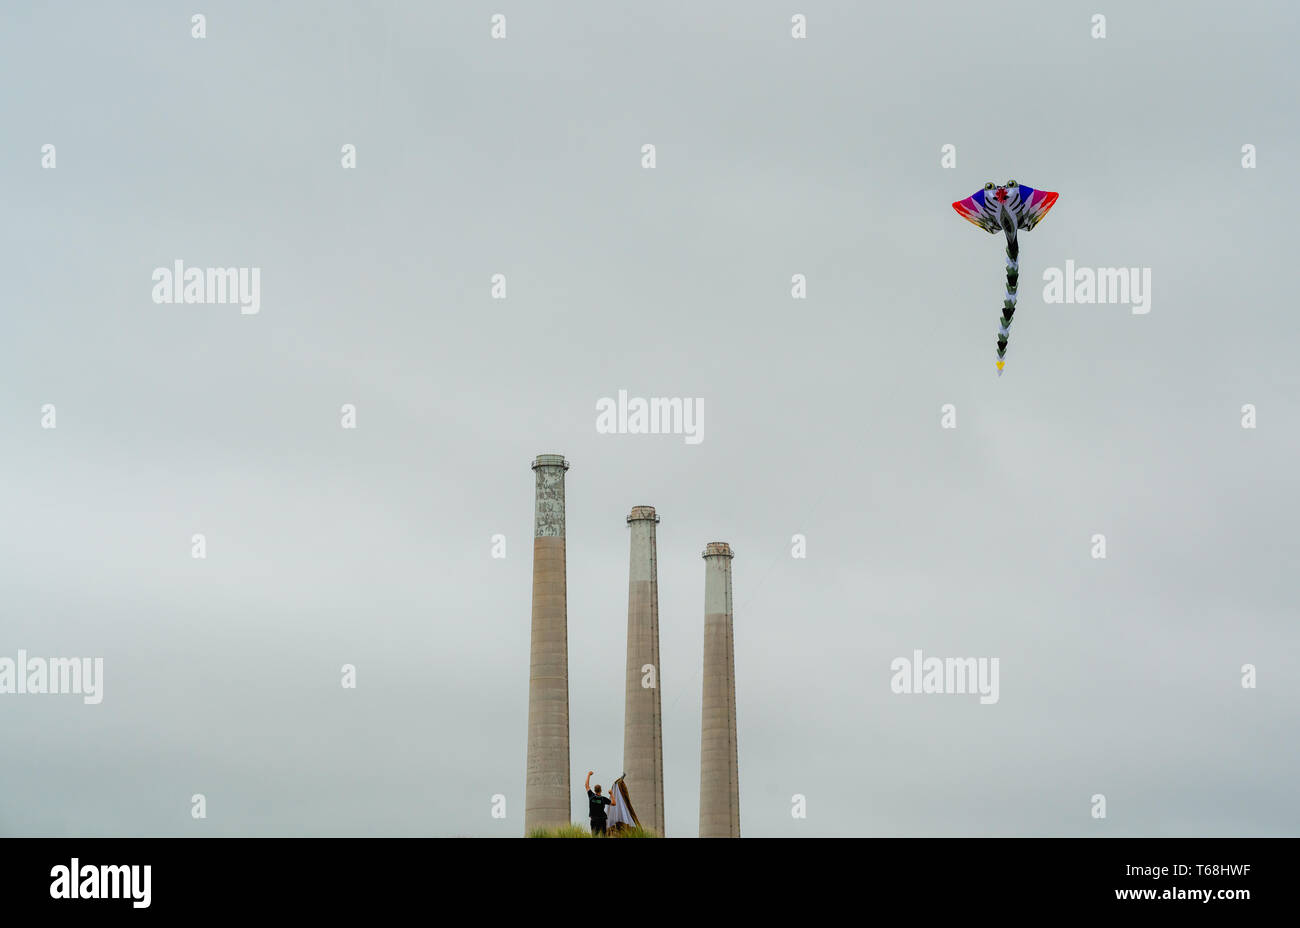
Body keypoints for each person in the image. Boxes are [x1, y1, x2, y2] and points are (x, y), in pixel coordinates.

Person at [584, 770, 616, 836]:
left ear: (594, 790)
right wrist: (611, 794)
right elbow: (614, 803)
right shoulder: (603, 799)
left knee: (594, 836)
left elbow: (586, 785)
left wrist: (589, 774)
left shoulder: (591, 796)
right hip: (602, 820)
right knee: (604, 835)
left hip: (593, 820)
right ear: (601, 790)